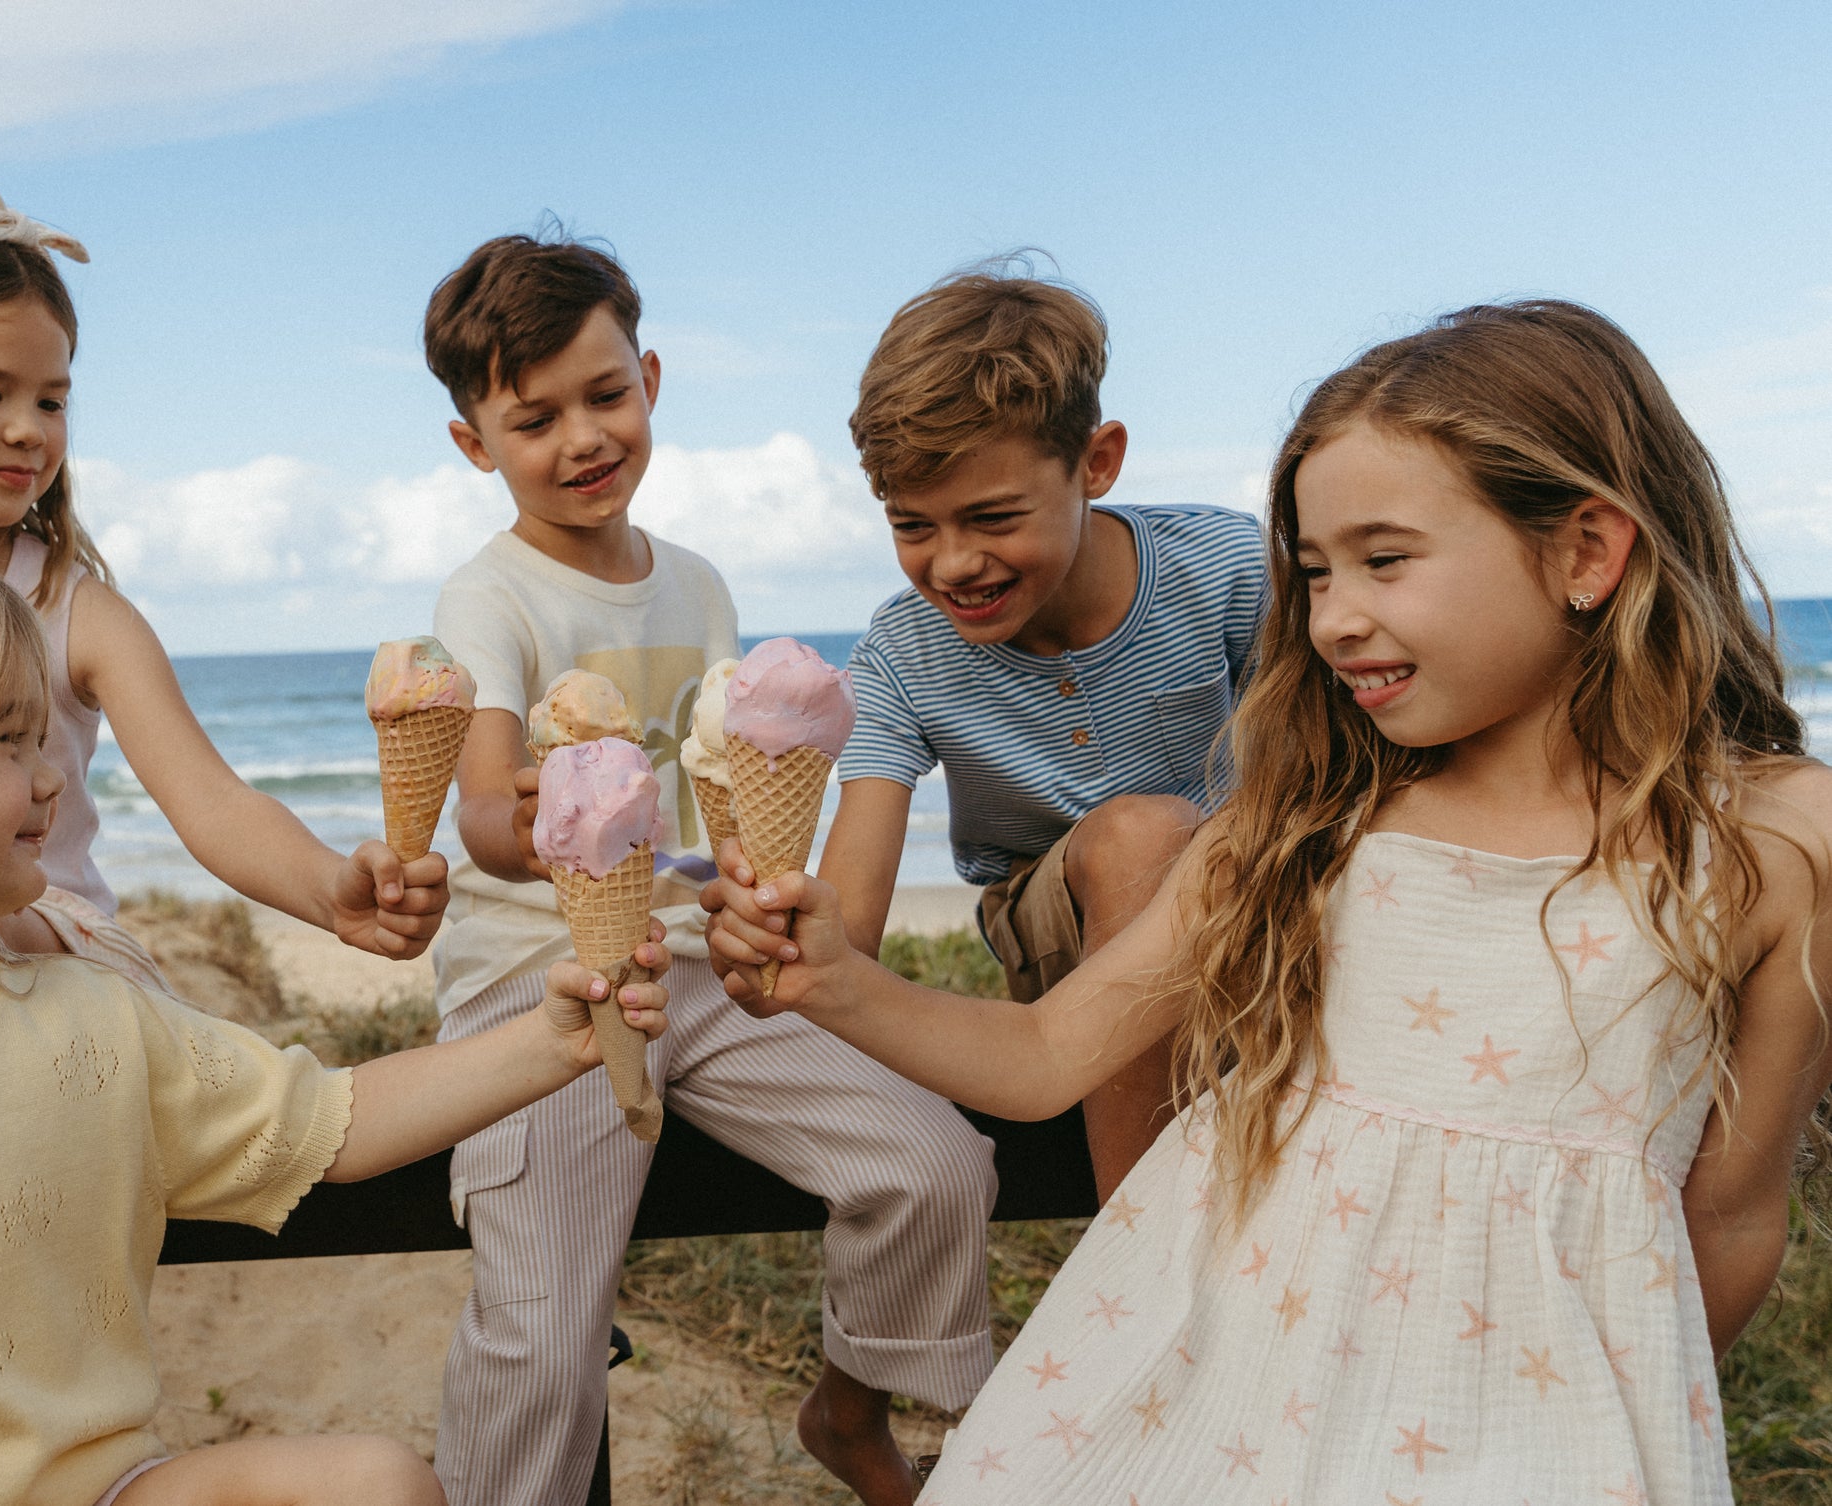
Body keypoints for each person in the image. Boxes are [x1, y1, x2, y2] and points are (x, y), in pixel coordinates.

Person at [706, 301, 1832, 1502]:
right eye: (1312, 571)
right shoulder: (1307, 823)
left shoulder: (1776, 844)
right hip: (1235, 1395)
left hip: (1540, 1437)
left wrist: (1632, 1418)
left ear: (1585, 553)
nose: (1334, 615)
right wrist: (833, 977)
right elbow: (1041, 1055)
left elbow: (1731, 1212)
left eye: (1383, 560)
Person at [0, 539, 671, 1506]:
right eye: (7, 742)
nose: (55, 777)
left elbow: (329, 1123)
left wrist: (550, 1041)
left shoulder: (95, 1019)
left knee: (375, 1484)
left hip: (98, 1491)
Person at [421, 230, 998, 1506]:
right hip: (550, 989)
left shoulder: (697, 583)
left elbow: (726, 788)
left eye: (605, 394)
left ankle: (853, 1411)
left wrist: (751, 887)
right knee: (543, 1331)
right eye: (534, 418)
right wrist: (559, 816)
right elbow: (479, 818)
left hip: (694, 974)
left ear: (653, 381)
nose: (582, 437)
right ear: (476, 445)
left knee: (933, 1164)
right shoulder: (489, 600)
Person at [0, 190, 443, 979]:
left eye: (51, 400)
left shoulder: (73, 611)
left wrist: (327, 889)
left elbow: (211, 802)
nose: (28, 428)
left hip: (42, 956)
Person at [826, 264, 1264, 1200]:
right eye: (913, 526)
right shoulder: (904, 653)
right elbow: (849, 923)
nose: (953, 563)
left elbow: (1320, 775)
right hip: (1059, 928)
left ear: (1097, 463)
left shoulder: (1226, 569)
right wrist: (778, 929)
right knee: (1142, 836)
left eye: (994, 518)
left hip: (1245, 898)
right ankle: (1136, 1240)